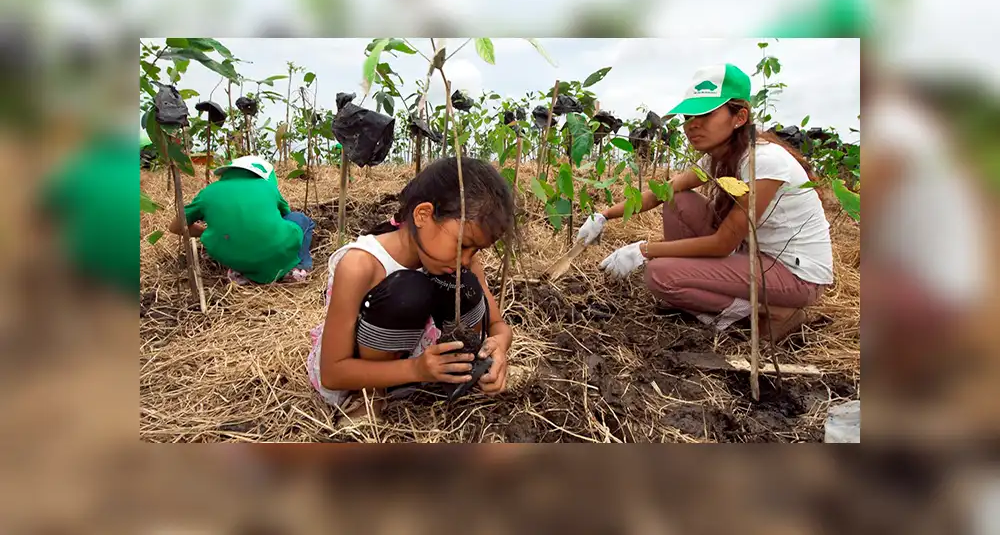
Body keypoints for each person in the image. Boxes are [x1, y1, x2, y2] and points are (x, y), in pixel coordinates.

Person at [576, 63, 834, 343]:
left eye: (706, 114)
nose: (692, 124)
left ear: (740, 117)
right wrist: (603, 215)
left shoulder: (764, 161)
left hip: (794, 275)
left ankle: (772, 312)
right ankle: (704, 295)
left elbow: (723, 243)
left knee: (660, 275)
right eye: (689, 116)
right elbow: (663, 191)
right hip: (754, 255)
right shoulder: (718, 157)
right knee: (678, 200)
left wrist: (643, 250)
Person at [307, 156, 515, 415]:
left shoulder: (464, 263)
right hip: (364, 375)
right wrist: (416, 369)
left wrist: (498, 346)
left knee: (465, 285)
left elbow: (497, 325)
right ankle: (371, 397)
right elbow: (333, 373)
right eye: (463, 245)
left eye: (476, 250)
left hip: (430, 370)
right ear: (423, 215)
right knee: (407, 293)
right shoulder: (360, 266)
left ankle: (459, 375)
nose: (465, 259)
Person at [168, 155, 314, 284]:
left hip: (230, 256)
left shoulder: (208, 192)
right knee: (300, 219)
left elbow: (175, 227)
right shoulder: (268, 187)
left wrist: (208, 233)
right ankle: (298, 268)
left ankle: (241, 272)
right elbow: (285, 215)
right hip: (274, 249)